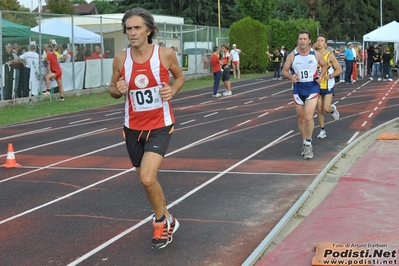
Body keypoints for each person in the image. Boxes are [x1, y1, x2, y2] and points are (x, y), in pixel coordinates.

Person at [109, 7, 185, 249]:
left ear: (149, 30)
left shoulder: (164, 55)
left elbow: (180, 77)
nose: (132, 33)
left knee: (147, 177)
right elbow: (111, 89)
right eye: (129, 29)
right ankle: (170, 218)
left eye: (137, 28)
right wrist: (117, 90)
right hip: (132, 128)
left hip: (160, 125)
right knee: (147, 182)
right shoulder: (121, 59)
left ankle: (161, 223)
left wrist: (172, 90)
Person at [282, 30, 328, 160]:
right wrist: (291, 76)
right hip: (298, 89)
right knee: (301, 119)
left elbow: (324, 65)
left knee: (308, 117)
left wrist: (321, 76)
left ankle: (309, 144)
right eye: (300, 39)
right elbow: (284, 70)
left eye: (304, 39)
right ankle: (304, 142)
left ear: (309, 41)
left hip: (312, 88)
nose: (302, 41)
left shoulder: (316, 54)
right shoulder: (292, 55)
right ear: (298, 41)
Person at [315, 34, 342, 140]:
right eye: (318, 40)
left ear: (325, 44)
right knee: (319, 109)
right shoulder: (313, 54)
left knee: (326, 108)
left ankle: (332, 110)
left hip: (327, 85)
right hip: (316, 85)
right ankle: (322, 130)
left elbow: (339, 69)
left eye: (322, 40)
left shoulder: (330, 55)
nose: (319, 42)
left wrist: (330, 75)